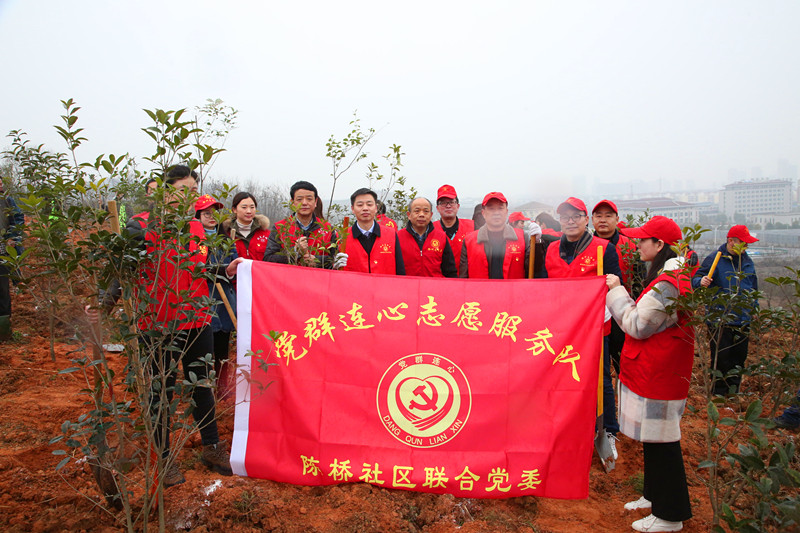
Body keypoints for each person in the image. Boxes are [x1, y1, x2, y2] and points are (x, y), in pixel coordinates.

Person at [108, 165, 241, 488]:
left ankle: (212, 447)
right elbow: (120, 270)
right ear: (165, 191)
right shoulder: (140, 226)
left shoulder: (195, 229)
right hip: (156, 325)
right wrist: (104, 303)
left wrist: (226, 269)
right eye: (184, 190)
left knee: (201, 385)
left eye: (194, 191)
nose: (190, 197)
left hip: (197, 320)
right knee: (160, 391)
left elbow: (200, 270)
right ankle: (164, 458)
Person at [606, 215, 694, 532]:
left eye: (643, 240)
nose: (637, 244)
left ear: (659, 245)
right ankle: (653, 496)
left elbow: (637, 325)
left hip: (659, 376)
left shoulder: (668, 286)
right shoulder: (669, 277)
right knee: (654, 441)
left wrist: (616, 292)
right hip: (656, 372)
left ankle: (670, 516)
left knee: (664, 444)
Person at [542, 197, 622, 458]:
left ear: (586, 220)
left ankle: (608, 431)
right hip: (560, 329)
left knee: (601, 380)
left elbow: (615, 287)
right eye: (565, 217)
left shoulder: (603, 250)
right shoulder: (552, 249)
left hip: (594, 328)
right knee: (562, 377)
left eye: (576, 216)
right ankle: (568, 426)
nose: (570, 221)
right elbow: (543, 288)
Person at [692, 225, 759, 396]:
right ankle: (718, 394)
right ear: (731, 241)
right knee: (721, 357)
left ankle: (733, 392)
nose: (746, 247)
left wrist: (754, 307)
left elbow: (753, 285)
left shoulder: (746, 260)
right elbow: (696, 279)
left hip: (742, 319)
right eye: (743, 243)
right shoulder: (715, 258)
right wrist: (701, 282)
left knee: (739, 357)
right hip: (720, 318)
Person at [195, 194, 237, 399]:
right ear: (198, 216)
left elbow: (234, 262)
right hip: (204, 299)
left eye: (214, 214)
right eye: (206, 214)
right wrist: (224, 270)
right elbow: (198, 268)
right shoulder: (194, 239)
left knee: (222, 348)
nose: (211, 217)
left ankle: (222, 387)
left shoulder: (226, 240)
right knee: (204, 348)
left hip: (225, 300)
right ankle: (203, 389)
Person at [592, 199, 636, 375]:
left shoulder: (630, 246)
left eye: (608, 216)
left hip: (621, 311)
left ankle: (624, 395)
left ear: (617, 219)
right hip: (594, 313)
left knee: (622, 358)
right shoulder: (583, 245)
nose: (603, 220)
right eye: (599, 216)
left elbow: (638, 280)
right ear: (592, 219)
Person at [459, 192, 541, 279]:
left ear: (506, 212)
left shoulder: (522, 238)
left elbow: (535, 269)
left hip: (512, 291)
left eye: (500, 208)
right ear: (483, 213)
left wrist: (537, 243)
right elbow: (463, 277)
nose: (496, 213)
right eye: (491, 209)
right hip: (480, 291)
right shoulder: (469, 241)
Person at [264, 181, 338, 268]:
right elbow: (268, 259)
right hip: (289, 279)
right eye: (299, 199)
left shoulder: (327, 229)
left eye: (309, 199)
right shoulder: (281, 227)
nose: (304, 203)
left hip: (318, 280)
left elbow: (335, 259)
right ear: (292, 202)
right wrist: (295, 252)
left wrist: (318, 261)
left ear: (315, 202)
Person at [335, 188, 405, 275]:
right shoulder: (341, 237)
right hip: (353, 287)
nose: (365, 208)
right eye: (360, 205)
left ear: (376, 208)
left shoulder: (391, 234)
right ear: (353, 209)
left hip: (385, 287)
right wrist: (334, 265)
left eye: (369, 204)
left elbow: (400, 269)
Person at [398, 197, 457, 278]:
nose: (421, 215)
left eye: (426, 211)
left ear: (431, 215)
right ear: (409, 215)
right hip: (407, 288)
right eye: (417, 211)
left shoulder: (441, 237)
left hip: (434, 288)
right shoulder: (398, 237)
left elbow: (450, 271)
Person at [0, 178, 24, 341]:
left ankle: (3, 332)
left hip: (1, 251)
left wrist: (13, 238)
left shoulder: (7, 201)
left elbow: (17, 221)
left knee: (2, 292)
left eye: (0, 182)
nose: (0, 185)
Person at [435, 185, 475, 276]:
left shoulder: (473, 227)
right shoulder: (430, 230)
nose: (448, 206)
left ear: (458, 206)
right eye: (443, 203)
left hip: (466, 283)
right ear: (437, 208)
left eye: (451, 202)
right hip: (439, 284)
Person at [222, 192, 271, 261]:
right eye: (244, 207)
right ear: (234, 209)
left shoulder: (267, 235)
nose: (249, 211)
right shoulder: (225, 234)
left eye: (252, 207)